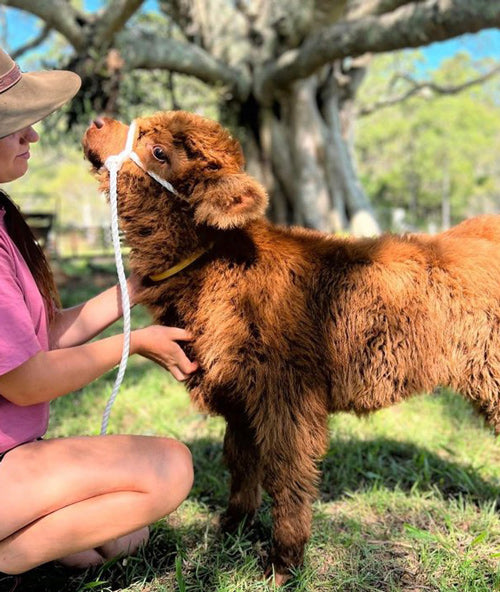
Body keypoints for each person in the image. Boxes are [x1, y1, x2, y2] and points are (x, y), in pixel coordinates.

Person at [0, 48, 198, 575]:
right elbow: (24, 382)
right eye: (14, 124)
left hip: (15, 456)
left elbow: (46, 335)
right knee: (170, 468)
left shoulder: (2, 221)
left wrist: (134, 288)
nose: (31, 136)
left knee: (121, 535)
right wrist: (134, 344)